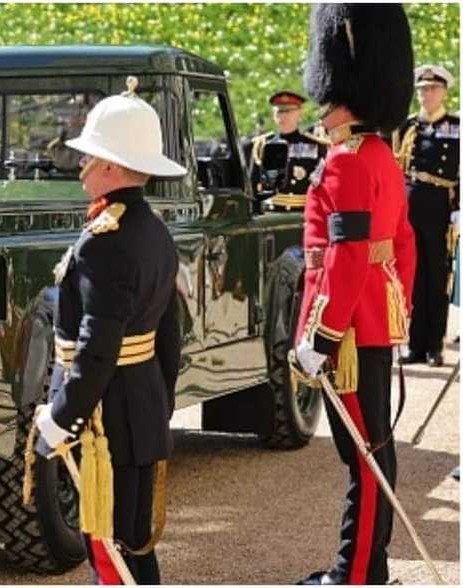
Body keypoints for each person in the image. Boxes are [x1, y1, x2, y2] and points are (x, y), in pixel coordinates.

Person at [32, 81, 184, 585]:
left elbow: (98, 347)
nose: (81, 167)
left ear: (112, 167)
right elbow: (170, 337)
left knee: (109, 552)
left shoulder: (105, 241)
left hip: (104, 416)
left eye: (89, 158)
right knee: (135, 544)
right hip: (138, 403)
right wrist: (159, 401)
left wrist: (63, 415)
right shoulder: (155, 231)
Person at [293, 4, 416, 585]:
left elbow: (342, 258)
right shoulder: (383, 159)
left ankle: (356, 572)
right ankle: (370, 563)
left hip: (345, 327)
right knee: (375, 450)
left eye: (329, 98)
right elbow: (404, 245)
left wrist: (320, 333)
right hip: (372, 319)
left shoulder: (345, 163)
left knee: (362, 459)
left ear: (347, 99)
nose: (323, 108)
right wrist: (400, 308)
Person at [393, 65, 460, 367]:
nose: (426, 94)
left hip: (440, 206)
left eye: (432, 89)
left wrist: (458, 209)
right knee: (412, 275)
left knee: (436, 276)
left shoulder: (455, 126)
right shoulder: (406, 127)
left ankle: (434, 344)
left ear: (444, 91)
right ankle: (414, 344)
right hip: (410, 206)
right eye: (421, 89)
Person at [249, 91, 329, 212]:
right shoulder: (263, 145)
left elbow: (323, 185)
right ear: (274, 115)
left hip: (303, 214)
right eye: (279, 111)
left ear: (300, 114)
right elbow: (253, 186)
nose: (283, 116)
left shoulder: (316, 145)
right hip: (271, 214)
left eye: (288, 111)